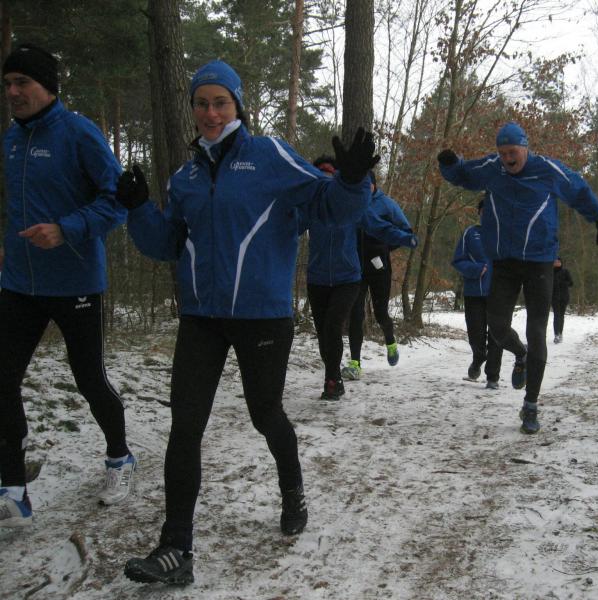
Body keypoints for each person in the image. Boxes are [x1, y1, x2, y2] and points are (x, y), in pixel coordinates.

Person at [115, 60, 377, 585]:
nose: (210, 113)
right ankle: (176, 547)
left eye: (220, 102)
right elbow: (166, 244)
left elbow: (329, 207)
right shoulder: (186, 177)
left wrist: (352, 179)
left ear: (237, 105)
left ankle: (292, 489)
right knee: (185, 426)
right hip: (201, 317)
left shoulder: (269, 156)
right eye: (201, 103)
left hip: (262, 315)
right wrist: (139, 209)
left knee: (265, 414)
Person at [0, 44, 135, 528]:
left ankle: (119, 457)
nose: (12, 92)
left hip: (75, 280)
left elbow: (118, 201)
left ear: (48, 87)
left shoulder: (79, 133)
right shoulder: (10, 141)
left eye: (22, 83)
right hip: (20, 282)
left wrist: (66, 229)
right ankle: (12, 488)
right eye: (7, 83)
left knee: (88, 379)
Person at [438, 122, 598, 434]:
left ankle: (530, 405)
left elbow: (578, 190)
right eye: (503, 153)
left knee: (537, 331)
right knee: (497, 326)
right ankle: (520, 354)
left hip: (539, 261)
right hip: (504, 261)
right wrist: (449, 165)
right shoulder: (492, 168)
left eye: (512, 152)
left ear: (525, 148)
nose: (508, 158)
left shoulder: (547, 170)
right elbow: (465, 174)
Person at [303, 157, 416, 400]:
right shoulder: (310, 204)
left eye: (330, 176)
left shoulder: (354, 204)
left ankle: (335, 378)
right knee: (324, 332)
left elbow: (379, 226)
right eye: (320, 175)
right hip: (318, 277)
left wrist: (403, 238)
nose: (325, 180)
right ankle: (335, 373)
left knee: (342, 323)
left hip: (350, 275)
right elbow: (287, 225)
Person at [341, 174, 415, 380]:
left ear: (374, 185)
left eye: (368, 184)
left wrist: (384, 248)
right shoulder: (353, 203)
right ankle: (355, 363)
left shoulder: (387, 204)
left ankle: (390, 342)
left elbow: (406, 230)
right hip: (355, 267)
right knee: (356, 314)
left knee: (381, 312)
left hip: (379, 267)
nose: (365, 188)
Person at [452, 198, 502, 389]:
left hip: (498, 293)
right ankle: (478, 357)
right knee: (476, 335)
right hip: (474, 292)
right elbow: (458, 260)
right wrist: (474, 270)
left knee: (496, 335)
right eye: (484, 211)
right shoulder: (470, 233)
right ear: (479, 213)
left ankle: (492, 377)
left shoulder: (505, 233)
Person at [551, 257, 573, 343]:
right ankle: (556, 334)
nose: (557, 263)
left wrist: (563, 283)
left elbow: (571, 283)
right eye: (555, 262)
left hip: (564, 297)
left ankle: (560, 333)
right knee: (556, 315)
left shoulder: (565, 271)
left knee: (561, 315)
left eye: (558, 262)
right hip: (554, 297)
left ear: (561, 263)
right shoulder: (550, 272)